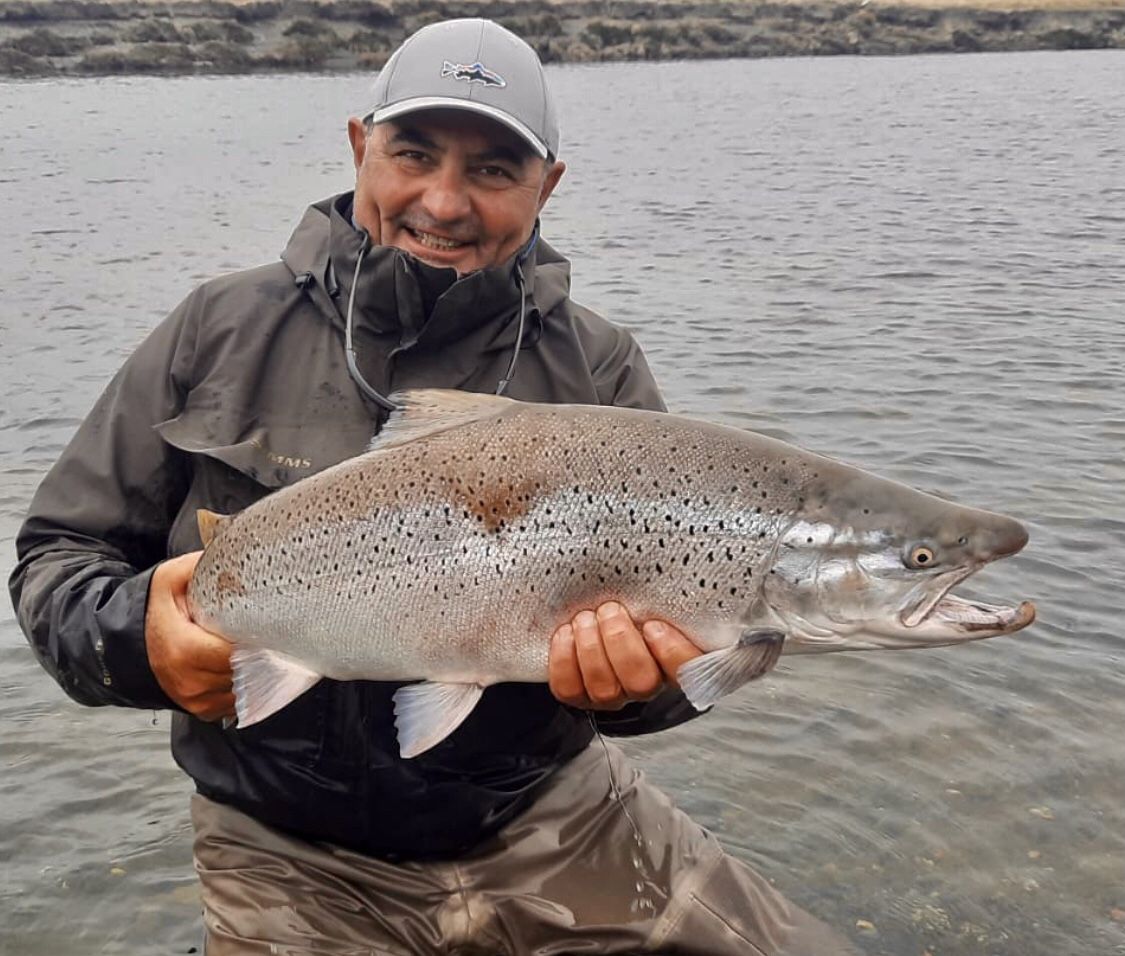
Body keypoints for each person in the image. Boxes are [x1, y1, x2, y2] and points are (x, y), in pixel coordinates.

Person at [10, 18, 857, 956]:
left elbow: (677, 665)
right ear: (359, 146)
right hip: (279, 849)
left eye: (493, 170)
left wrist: (632, 692)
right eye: (413, 153)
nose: (444, 203)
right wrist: (139, 642)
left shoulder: (600, 367)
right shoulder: (215, 329)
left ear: (547, 185)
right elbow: (58, 558)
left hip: (550, 815)